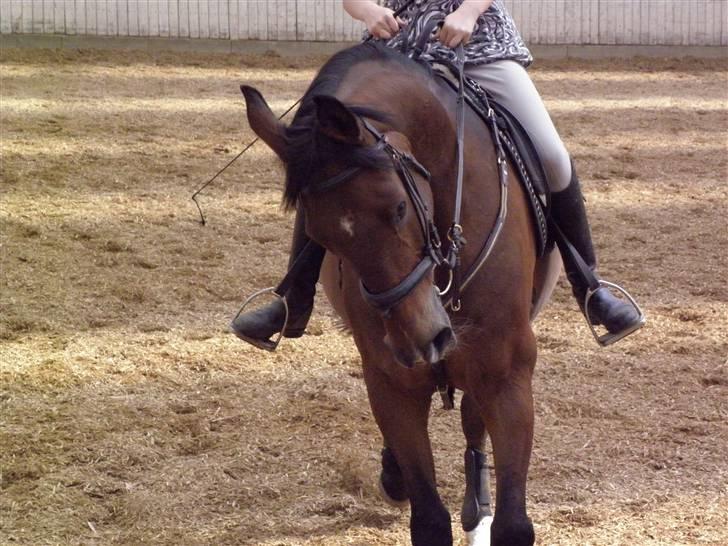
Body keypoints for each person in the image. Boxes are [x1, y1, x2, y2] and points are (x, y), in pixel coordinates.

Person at [231, 0, 644, 350]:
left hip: (477, 44)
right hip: (395, 55)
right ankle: (293, 298)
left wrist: (468, 10)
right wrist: (367, 10)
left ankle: (590, 287)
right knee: (326, 156)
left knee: (552, 154)